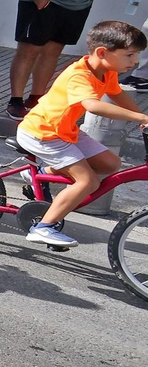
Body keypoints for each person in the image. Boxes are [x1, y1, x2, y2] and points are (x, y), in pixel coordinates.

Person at [13, 20, 148, 248]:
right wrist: (140, 118)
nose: (135, 61)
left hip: (64, 131)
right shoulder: (80, 75)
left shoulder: (106, 71)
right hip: (42, 133)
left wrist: (142, 116)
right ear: (102, 52)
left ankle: (41, 173)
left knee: (111, 164)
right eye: (130, 55)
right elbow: (93, 105)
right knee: (88, 181)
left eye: (137, 55)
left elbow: (117, 94)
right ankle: (43, 227)